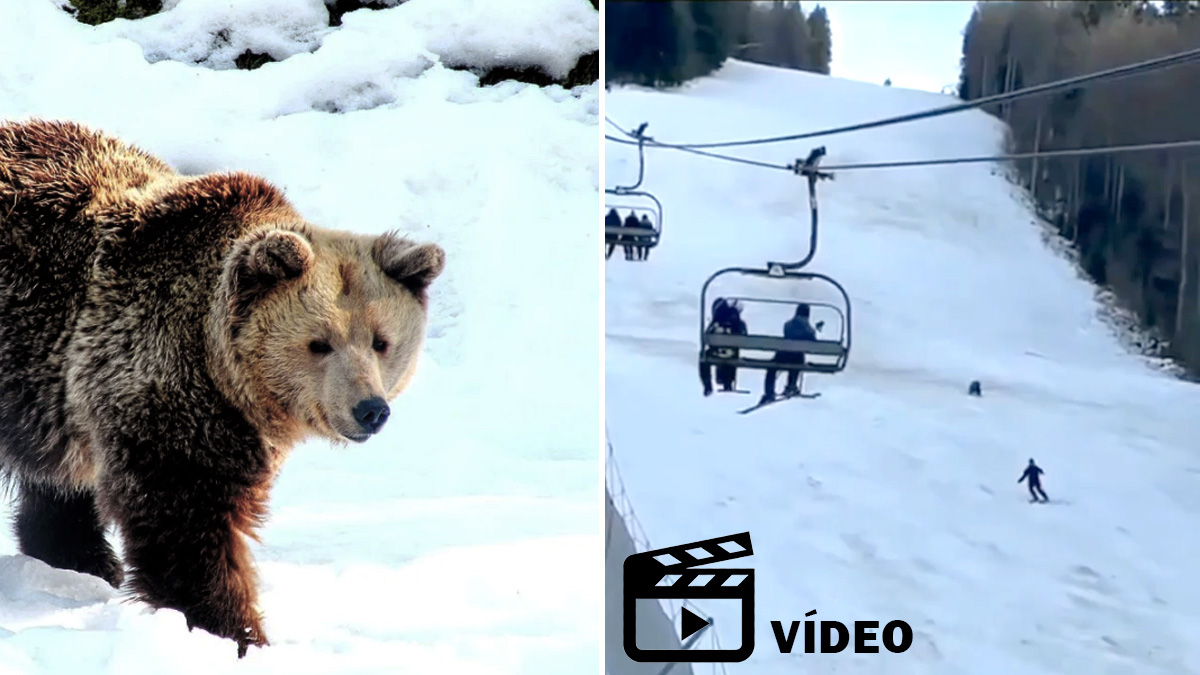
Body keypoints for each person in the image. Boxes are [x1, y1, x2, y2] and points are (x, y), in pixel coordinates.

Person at [760, 303, 817, 404]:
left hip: (782, 355)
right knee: (798, 359)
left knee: (771, 368)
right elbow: (813, 341)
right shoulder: (808, 328)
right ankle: (791, 385)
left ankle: (769, 392)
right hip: (796, 358)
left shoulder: (788, 324)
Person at [700, 298, 748, 396]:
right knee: (734, 352)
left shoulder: (716, 322)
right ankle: (728, 383)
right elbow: (744, 338)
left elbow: (707, 338)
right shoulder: (739, 323)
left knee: (703, 356)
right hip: (732, 353)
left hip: (716, 353)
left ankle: (707, 384)